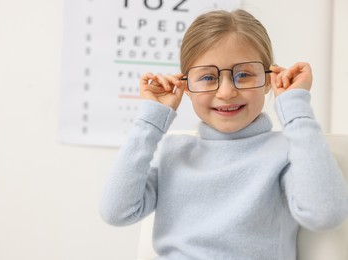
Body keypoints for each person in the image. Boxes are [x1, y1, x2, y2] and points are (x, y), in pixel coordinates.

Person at [99, 9, 348, 259]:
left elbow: (325, 213)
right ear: (186, 86)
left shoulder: (288, 152)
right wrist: (150, 119)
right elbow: (117, 211)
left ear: (268, 80)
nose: (227, 92)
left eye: (244, 74)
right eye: (208, 77)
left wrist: (296, 107)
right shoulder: (171, 152)